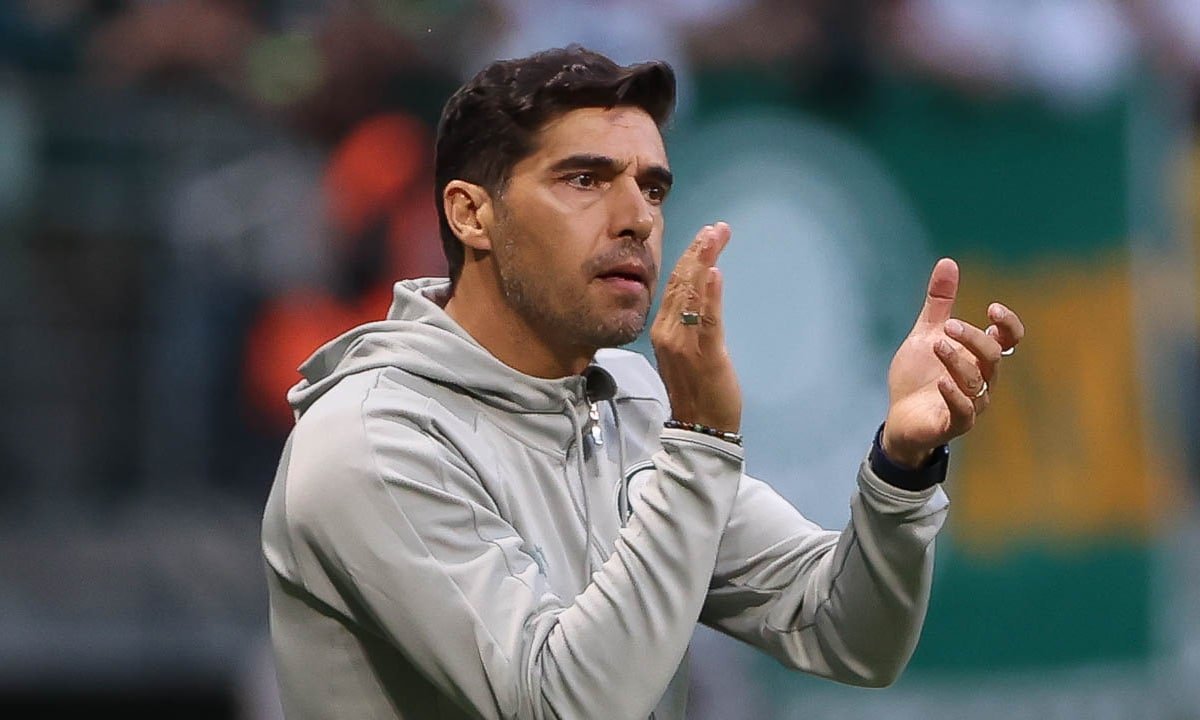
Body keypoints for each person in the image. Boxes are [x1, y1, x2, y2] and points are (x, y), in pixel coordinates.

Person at [260, 45, 1025, 720]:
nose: (636, 218)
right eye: (585, 179)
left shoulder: (629, 403)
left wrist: (900, 467)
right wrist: (698, 442)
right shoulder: (370, 439)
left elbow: (849, 636)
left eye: (653, 188)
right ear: (471, 215)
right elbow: (562, 706)